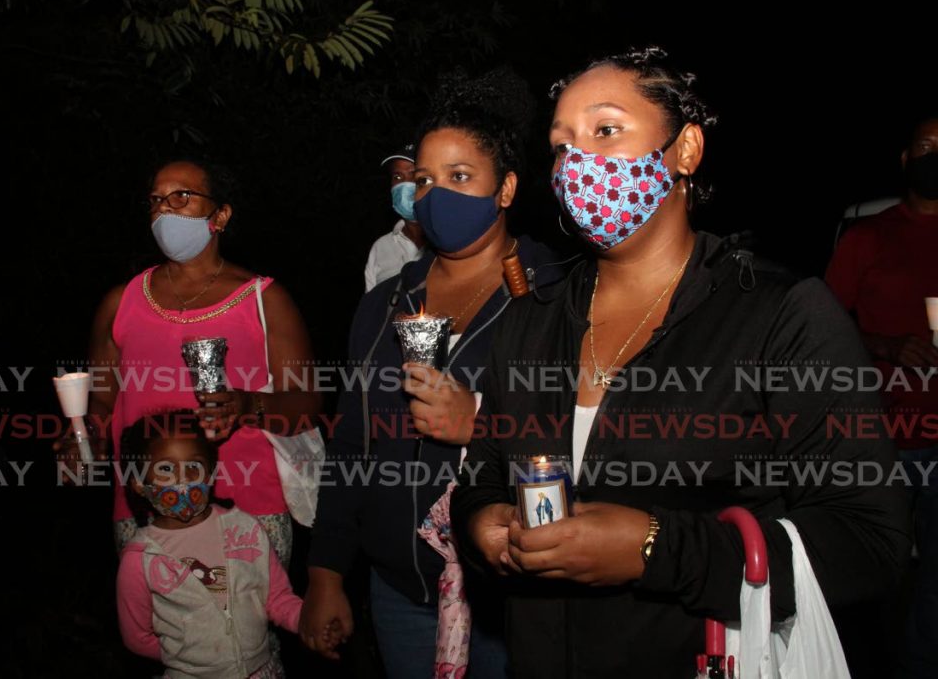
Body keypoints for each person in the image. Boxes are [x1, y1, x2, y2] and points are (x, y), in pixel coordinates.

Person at [450, 47, 911, 678]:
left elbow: (869, 544)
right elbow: (483, 472)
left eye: (606, 130)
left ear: (685, 150)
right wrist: (483, 525)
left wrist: (657, 549)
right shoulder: (533, 318)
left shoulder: (781, 316)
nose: (577, 162)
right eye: (561, 146)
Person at [301, 70, 560, 678]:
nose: (436, 194)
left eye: (460, 177)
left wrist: (477, 422)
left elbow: (588, 436)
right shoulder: (384, 304)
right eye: (424, 179)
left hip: (517, 600)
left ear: (507, 189)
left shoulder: (555, 296)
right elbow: (349, 445)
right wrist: (325, 573)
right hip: (401, 597)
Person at [61, 158, 321, 563]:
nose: (166, 209)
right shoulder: (120, 303)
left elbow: (306, 404)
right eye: (156, 200)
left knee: (247, 627)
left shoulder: (264, 300)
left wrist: (248, 405)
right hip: (144, 508)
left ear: (220, 214)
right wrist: (84, 439)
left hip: (246, 506)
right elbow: (103, 402)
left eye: (182, 196)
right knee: (153, 626)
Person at [825, 114, 938, 679]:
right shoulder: (868, 235)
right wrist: (887, 344)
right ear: (904, 159)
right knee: (872, 570)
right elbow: (824, 329)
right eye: (926, 146)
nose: (934, 155)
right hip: (883, 436)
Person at [115, 410, 333, 678]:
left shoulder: (245, 530)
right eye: (165, 470)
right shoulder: (141, 558)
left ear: (210, 470)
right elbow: (137, 637)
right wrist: (191, 656)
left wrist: (309, 622)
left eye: (193, 466)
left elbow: (276, 599)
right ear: (138, 484)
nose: (183, 480)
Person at [364, 144, 426, 292]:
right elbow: (372, 309)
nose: (405, 184)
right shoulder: (381, 247)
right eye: (397, 177)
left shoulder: (449, 242)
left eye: (414, 174)